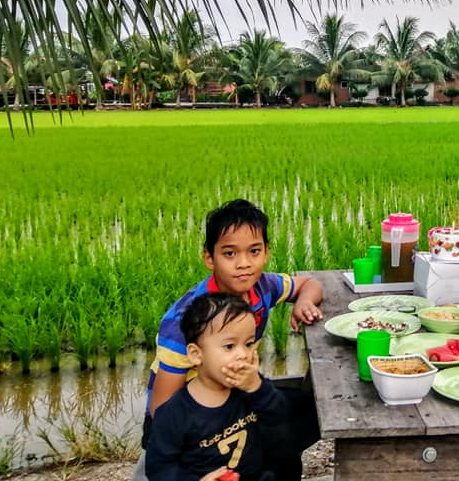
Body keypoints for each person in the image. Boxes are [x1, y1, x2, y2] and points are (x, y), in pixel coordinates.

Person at [136, 198, 324, 481]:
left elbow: (310, 283)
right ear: (209, 258)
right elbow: (161, 410)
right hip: (188, 410)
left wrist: (303, 303)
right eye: (230, 253)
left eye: (254, 251)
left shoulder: (262, 286)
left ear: (266, 252)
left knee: (309, 414)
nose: (244, 264)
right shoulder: (184, 323)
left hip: (233, 390)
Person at [146, 293, 290, 481]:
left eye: (248, 344)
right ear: (196, 354)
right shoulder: (174, 414)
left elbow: (279, 416)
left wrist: (257, 387)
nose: (243, 355)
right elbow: (160, 469)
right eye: (229, 346)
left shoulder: (251, 391)